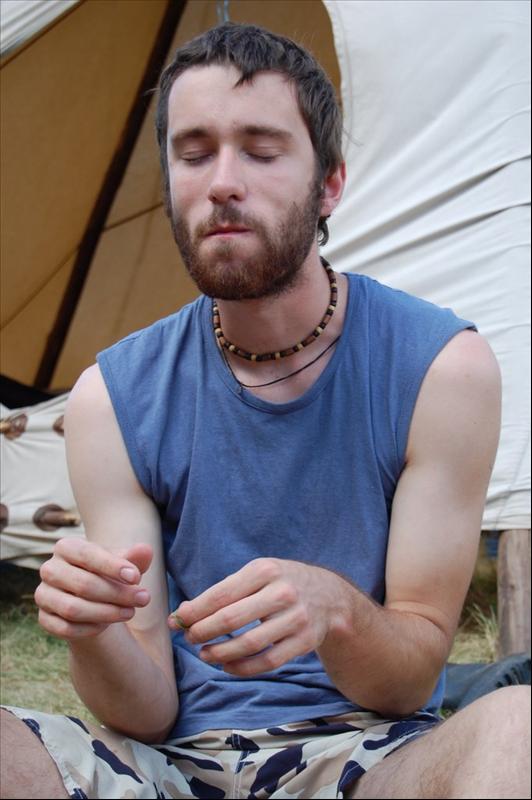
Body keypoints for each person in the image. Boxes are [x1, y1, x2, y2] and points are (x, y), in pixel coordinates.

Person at [1, 21, 529, 800]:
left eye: (260, 149)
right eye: (194, 153)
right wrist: (94, 631)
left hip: (367, 758)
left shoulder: (439, 369)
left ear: (330, 184)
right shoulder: (111, 397)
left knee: (518, 725)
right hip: (164, 771)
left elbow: (411, 680)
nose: (222, 182)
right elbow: (146, 712)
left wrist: (336, 609)